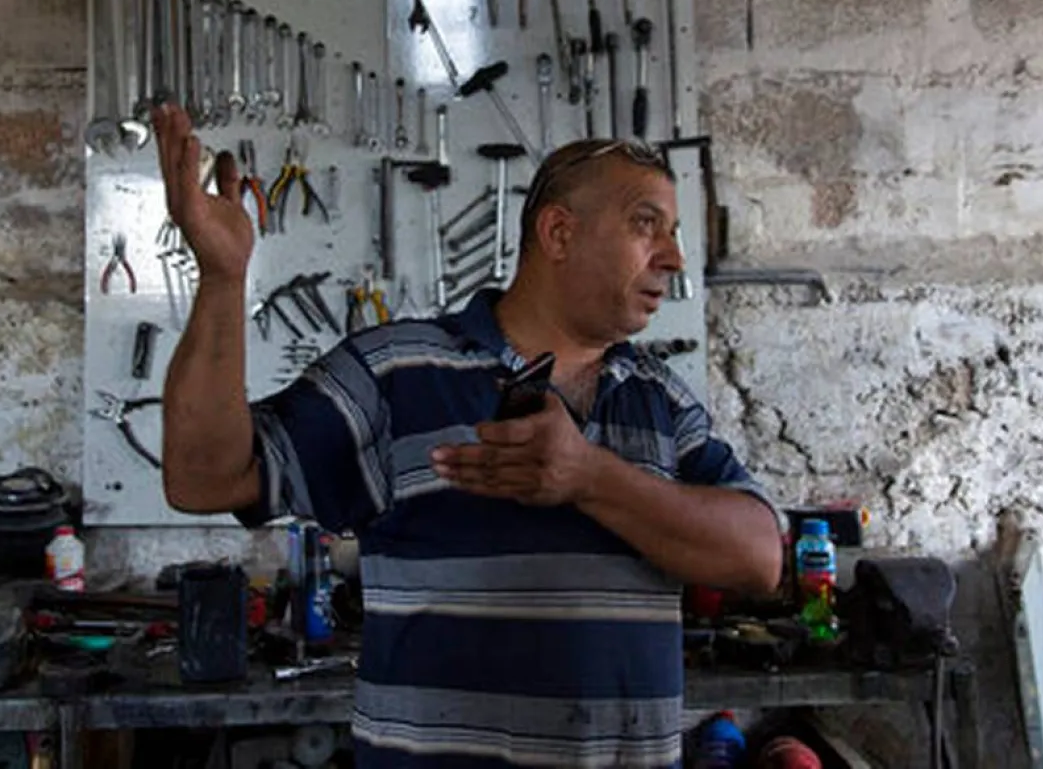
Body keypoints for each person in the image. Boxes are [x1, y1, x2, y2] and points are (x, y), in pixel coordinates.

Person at [152, 102, 785, 768]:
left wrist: (588, 476)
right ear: (560, 233)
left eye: (673, 230)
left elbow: (760, 556)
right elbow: (204, 477)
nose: (674, 256)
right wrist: (221, 281)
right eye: (645, 224)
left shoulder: (659, 398)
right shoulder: (398, 372)